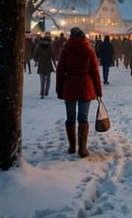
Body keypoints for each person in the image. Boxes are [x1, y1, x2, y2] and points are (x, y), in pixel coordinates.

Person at [56, 27, 102, 157]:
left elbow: (60, 71)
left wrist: (59, 89)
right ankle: (82, 148)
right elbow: (95, 72)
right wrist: (98, 91)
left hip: (69, 87)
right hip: (85, 88)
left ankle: (72, 146)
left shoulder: (65, 50)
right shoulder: (89, 51)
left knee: (70, 117)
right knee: (83, 117)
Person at [33, 32, 56, 99]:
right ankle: (46, 91)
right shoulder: (50, 46)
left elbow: (34, 55)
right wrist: (55, 64)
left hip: (41, 64)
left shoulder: (38, 45)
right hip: (48, 64)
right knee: (48, 79)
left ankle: (42, 93)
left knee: (42, 80)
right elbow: (53, 56)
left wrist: (36, 61)